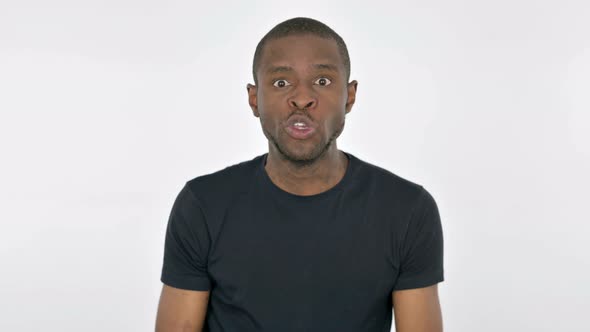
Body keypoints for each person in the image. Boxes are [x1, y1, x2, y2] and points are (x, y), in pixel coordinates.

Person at [155, 17, 444, 332]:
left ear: (350, 96)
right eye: (281, 82)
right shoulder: (203, 205)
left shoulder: (406, 210)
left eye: (322, 81)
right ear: (255, 99)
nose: (302, 98)